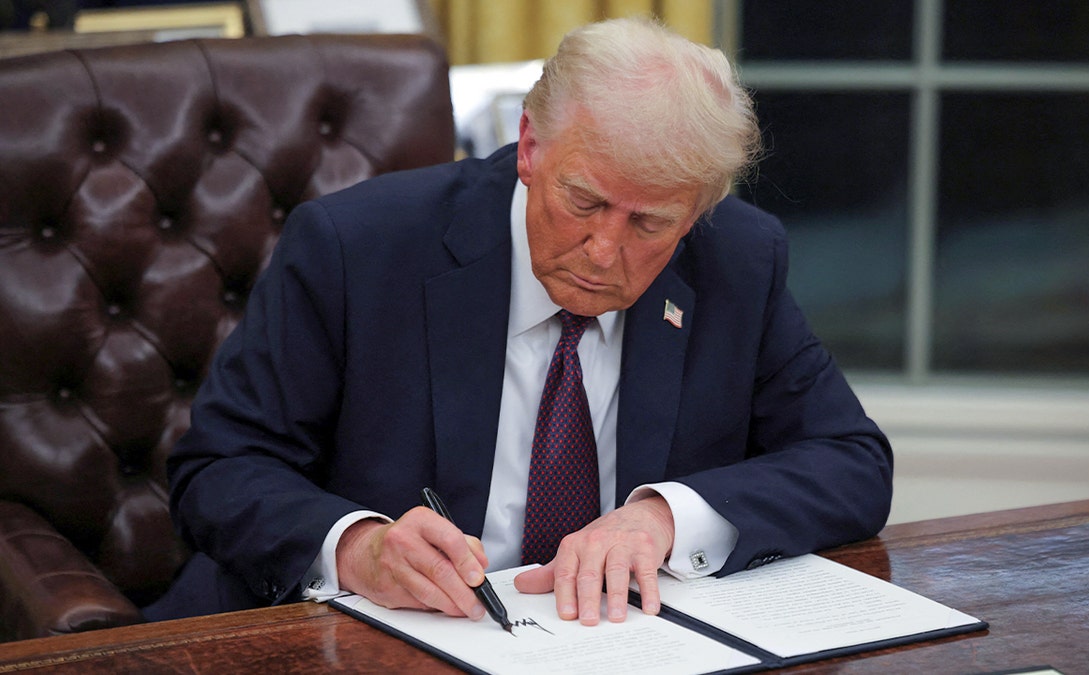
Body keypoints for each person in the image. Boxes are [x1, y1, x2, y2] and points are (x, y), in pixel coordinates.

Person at [146, 17, 893, 628]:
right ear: (531, 146)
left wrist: (666, 518)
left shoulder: (737, 259)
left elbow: (851, 460)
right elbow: (218, 468)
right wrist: (358, 548)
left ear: (696, 212)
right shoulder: (355, 249)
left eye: (651, 224)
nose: (605, 253)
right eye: (585, 202)